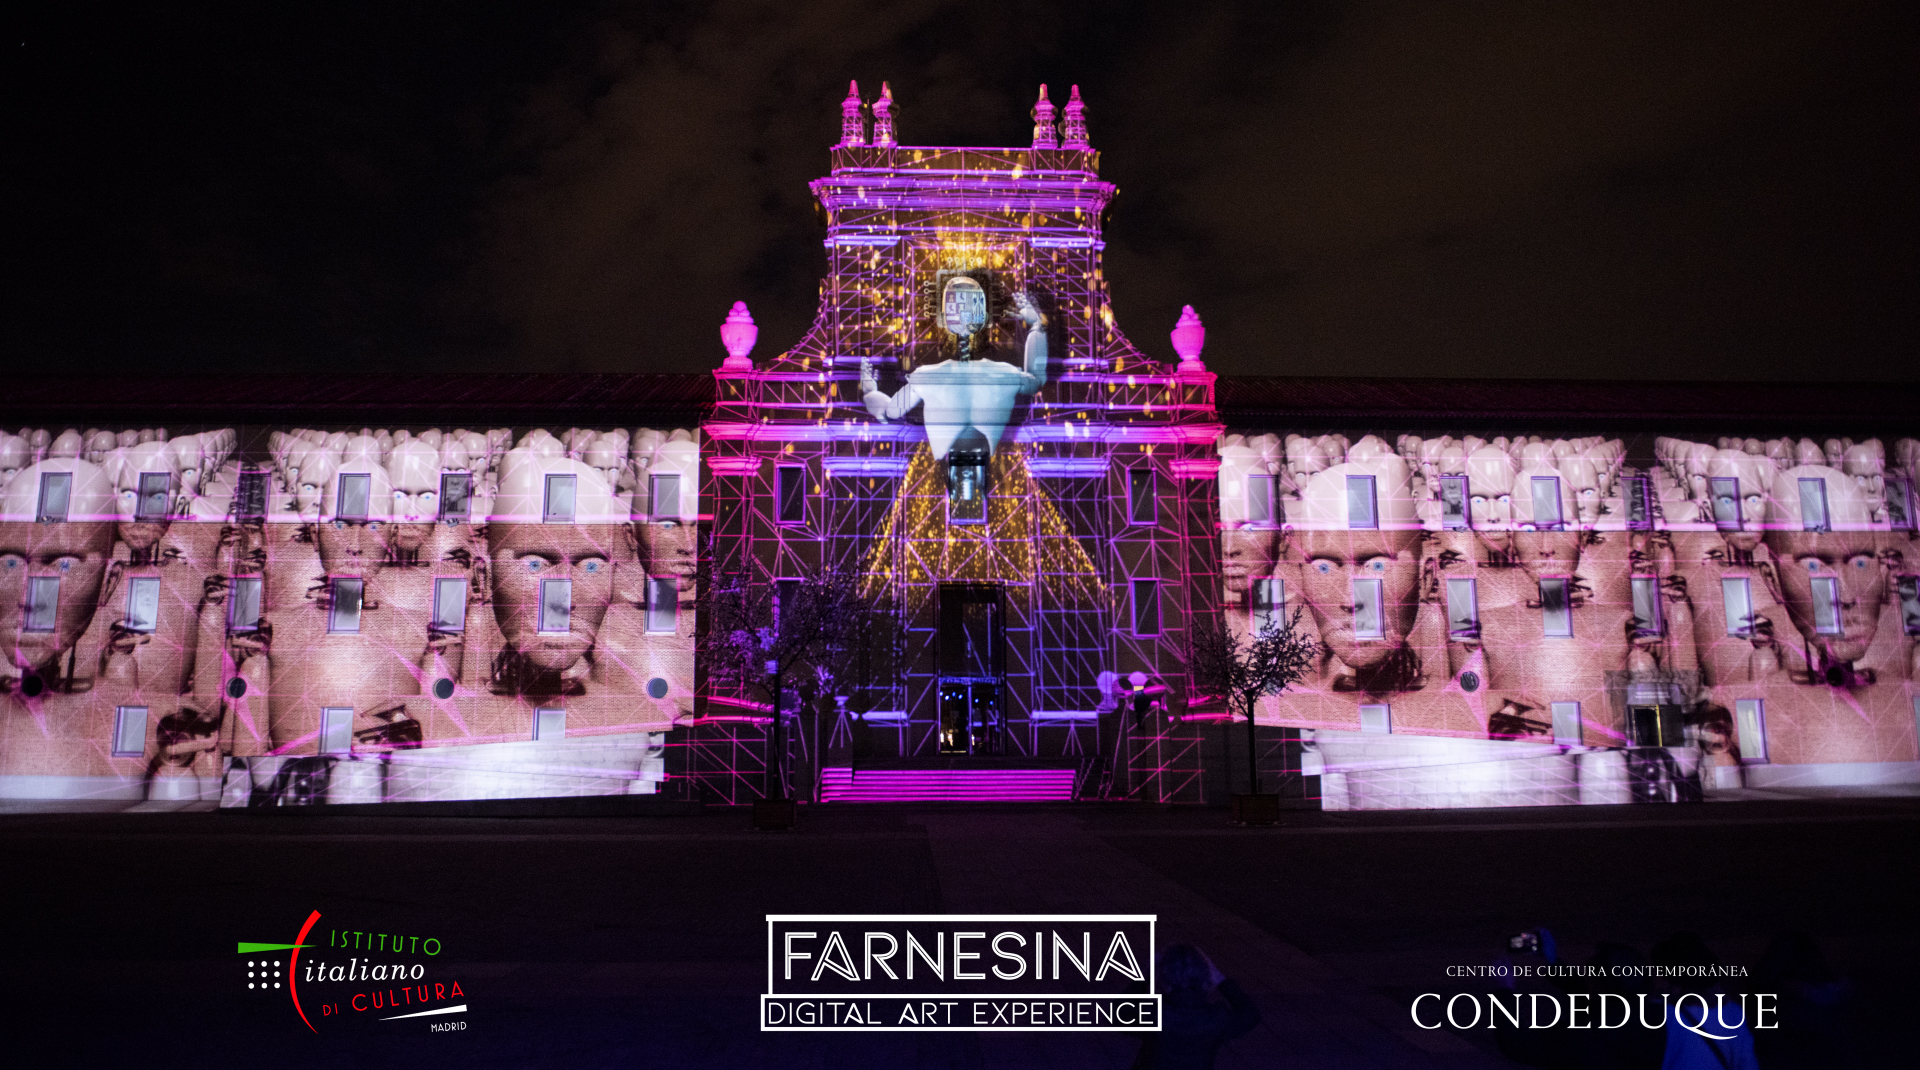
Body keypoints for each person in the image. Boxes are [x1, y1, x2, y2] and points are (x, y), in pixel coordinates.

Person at [1132, 943, 1259, 1069]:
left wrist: (1144, 977)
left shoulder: (1152, 1015)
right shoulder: (1217, 1018)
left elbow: (1121, 1013)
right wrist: (1220, 979)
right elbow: (1251, 1014)